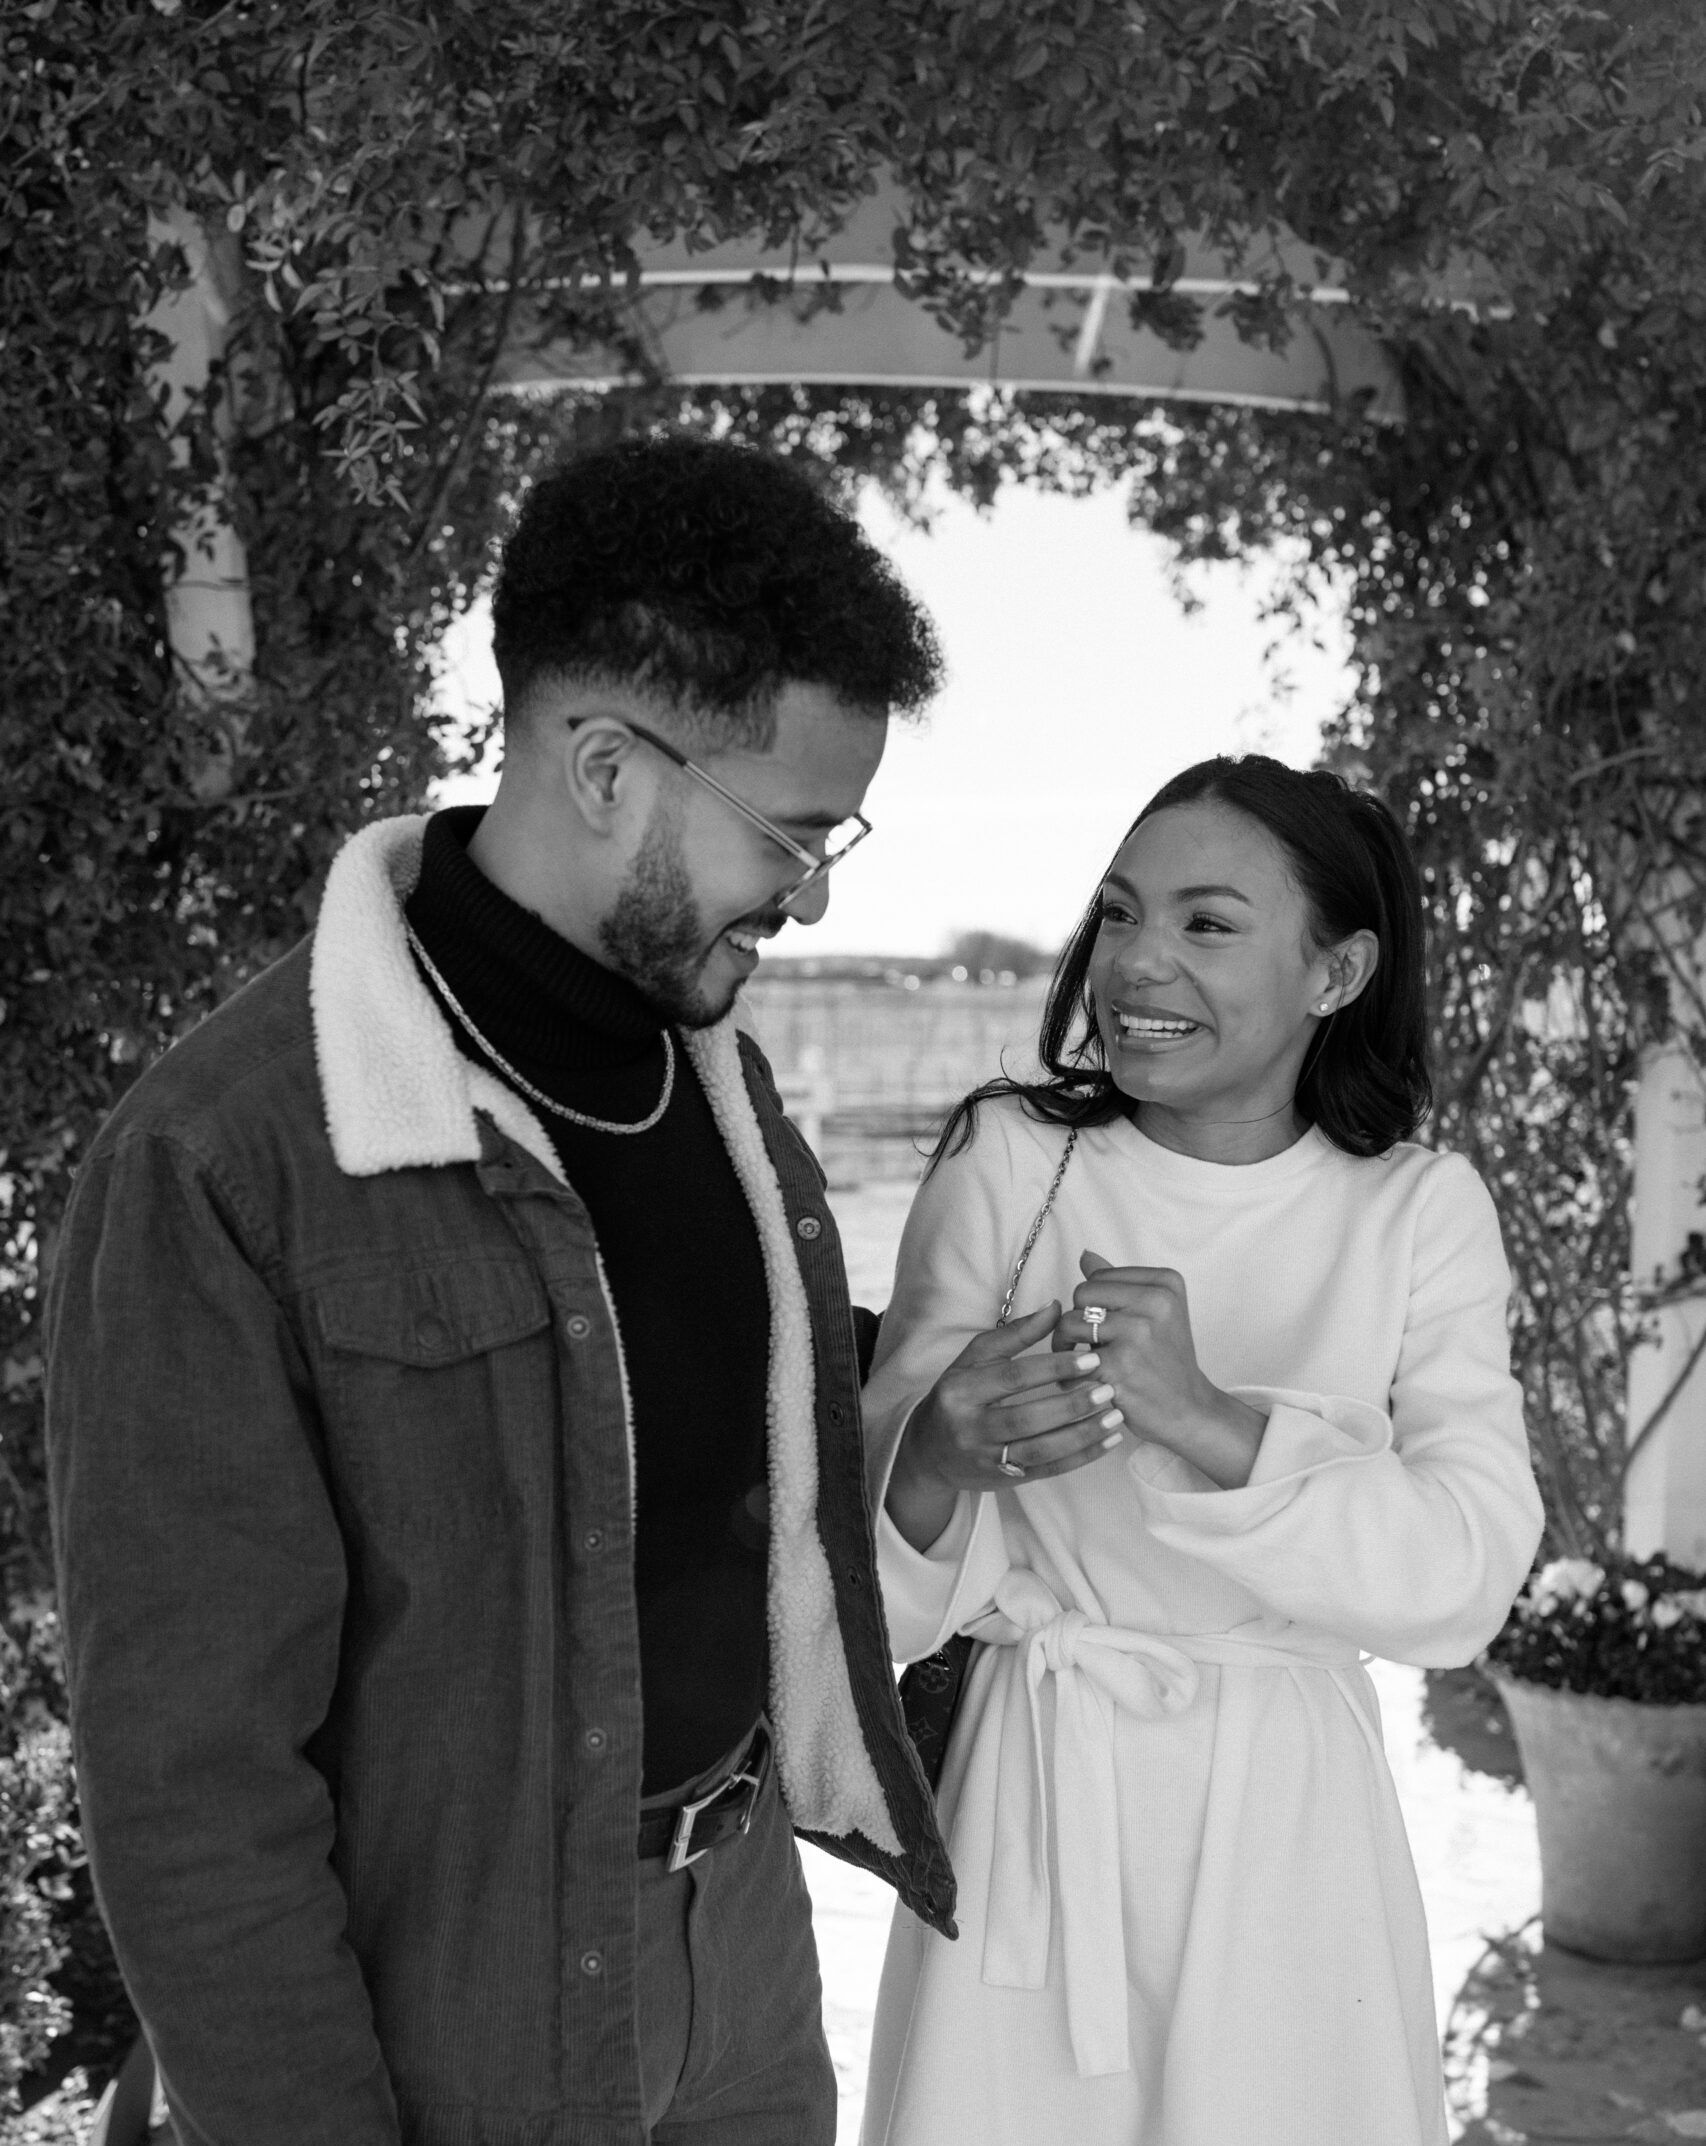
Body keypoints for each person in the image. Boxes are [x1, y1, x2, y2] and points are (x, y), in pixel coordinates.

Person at [45, 434, 958, 2146]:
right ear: (606, 765)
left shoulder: (724, 1088)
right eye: (792, 833)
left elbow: (676, 1444)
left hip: (743, 1973)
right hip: (443, 2019)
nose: (818, 894)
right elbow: (190, 1786)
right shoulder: (225, 1157)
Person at [859, 755, 1545, 2146]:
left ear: (1335, 970)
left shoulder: (1418, 1210)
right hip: (1028, 1816)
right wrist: (934, 1451)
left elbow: (1463, 1576)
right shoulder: (1008, 1158)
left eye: (1205, 922)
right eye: (1118, 912)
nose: (1136, 960)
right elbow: (852, 1599)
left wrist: (1207, 1418)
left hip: (1291, 1835)